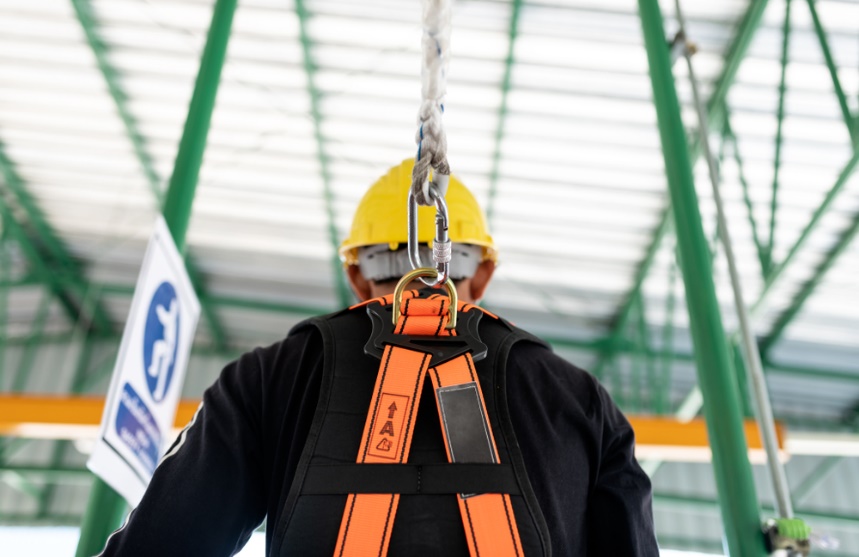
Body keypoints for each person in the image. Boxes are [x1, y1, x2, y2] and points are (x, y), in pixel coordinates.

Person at [97, 158, 658, 556]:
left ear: (357, 276)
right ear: (483, 272)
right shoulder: (580, 401)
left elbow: (160, 544)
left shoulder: (268, 380)